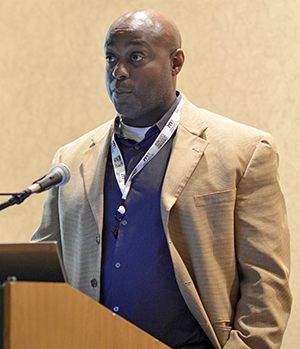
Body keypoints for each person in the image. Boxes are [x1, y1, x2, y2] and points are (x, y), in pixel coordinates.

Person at [31, 9, 292, 349]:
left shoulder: (243, 151)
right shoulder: (71, 159)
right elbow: (41, 271)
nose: (118, 71)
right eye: (111, 57)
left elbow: (266, 283)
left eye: (136, 57)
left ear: (175, 62)